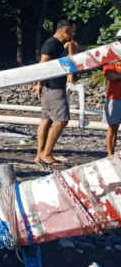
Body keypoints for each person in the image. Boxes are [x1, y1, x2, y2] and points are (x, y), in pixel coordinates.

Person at [32, 21, 74, 166]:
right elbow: (42, 64)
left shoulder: (58, 45)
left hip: (50, 88)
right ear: (66, 30)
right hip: (53, 88)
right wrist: (38, 83)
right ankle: (47, 153)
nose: (74, 35)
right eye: (73, 32)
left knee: (47, 120)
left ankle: (39, 155)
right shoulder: (52, 44)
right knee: (61, 120)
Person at [103, 30, 121, 156]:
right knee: (113, 127)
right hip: (115, 97)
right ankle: (110, 155)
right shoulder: (110, 56)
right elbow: (110, 76)